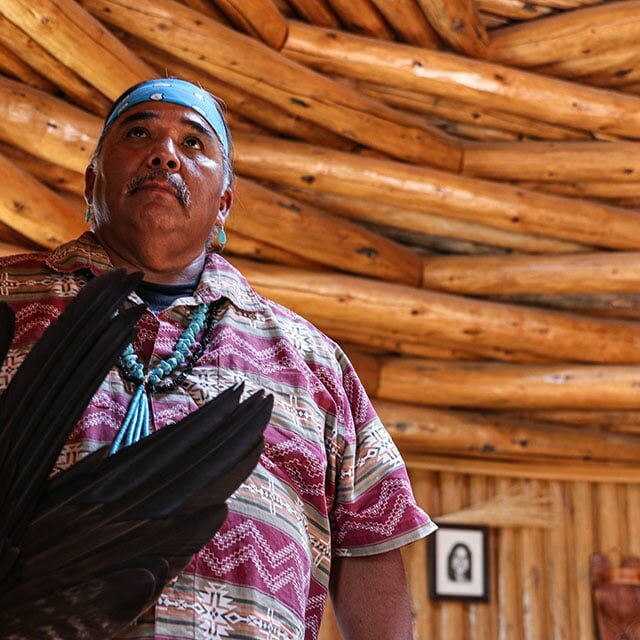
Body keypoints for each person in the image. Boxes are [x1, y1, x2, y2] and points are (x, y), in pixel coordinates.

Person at [0, 78, 436, 640]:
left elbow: (371, 545)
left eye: (195, 144)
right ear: (93, 181)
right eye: (139, 133)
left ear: (225, 202)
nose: (165, 154)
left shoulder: (315, 362)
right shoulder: (10, 297)